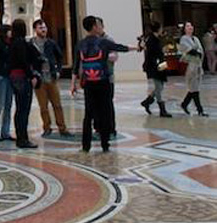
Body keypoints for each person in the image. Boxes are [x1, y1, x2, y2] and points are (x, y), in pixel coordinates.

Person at [72, 15, 135, 152]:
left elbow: (76, 66)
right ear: (94, 27)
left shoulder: (81, 44)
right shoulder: (103, 42)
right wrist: (137, 48)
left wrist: (73, 84)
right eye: (98, 24)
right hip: (103, 81)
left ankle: (86, 145)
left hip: (89, 83)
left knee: (88, 114)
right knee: (105, 111)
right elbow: (121, 48)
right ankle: (105, 144)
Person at [31, 19, 71, 137]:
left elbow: (59, 57)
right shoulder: (31, 44)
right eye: (40, 28)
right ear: (35, 30)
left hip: (51, 78)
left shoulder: (51, 43)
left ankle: (62, 127)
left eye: (44, 27)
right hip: (39, 79)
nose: (43, 30)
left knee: (57, 104)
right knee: (43, 106)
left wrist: (58, 70)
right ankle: (47, 127)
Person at [7, 19, 41, 148]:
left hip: (14, 76)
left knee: (20, 108)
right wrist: (31, 75)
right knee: (24, 109)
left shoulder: (12, 43)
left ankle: (20, 137)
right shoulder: (20, 43)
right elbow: (23, 61)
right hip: (22, 77)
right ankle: (22, 138)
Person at [140, 21, 172, 118]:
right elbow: (152, 54)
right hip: (154, 66)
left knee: (160, 86)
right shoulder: (151, 40)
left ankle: (147, 102)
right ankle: (162, 109)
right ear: (158, 29)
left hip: (159, 65)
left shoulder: (155, 39)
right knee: (158, 87)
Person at [179, 21, 208, 115]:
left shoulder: (195, 38)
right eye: (187, 26)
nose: (190, 27)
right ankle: (200, 110)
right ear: (184, 29)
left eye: (191, 25)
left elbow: (200, 50)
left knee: (194, 88)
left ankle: (185, 104)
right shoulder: (184, 38)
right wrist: (195, 52)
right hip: (191, 65)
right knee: (194, 88)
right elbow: (189, 50)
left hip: (198, 65)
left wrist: (197, 52)